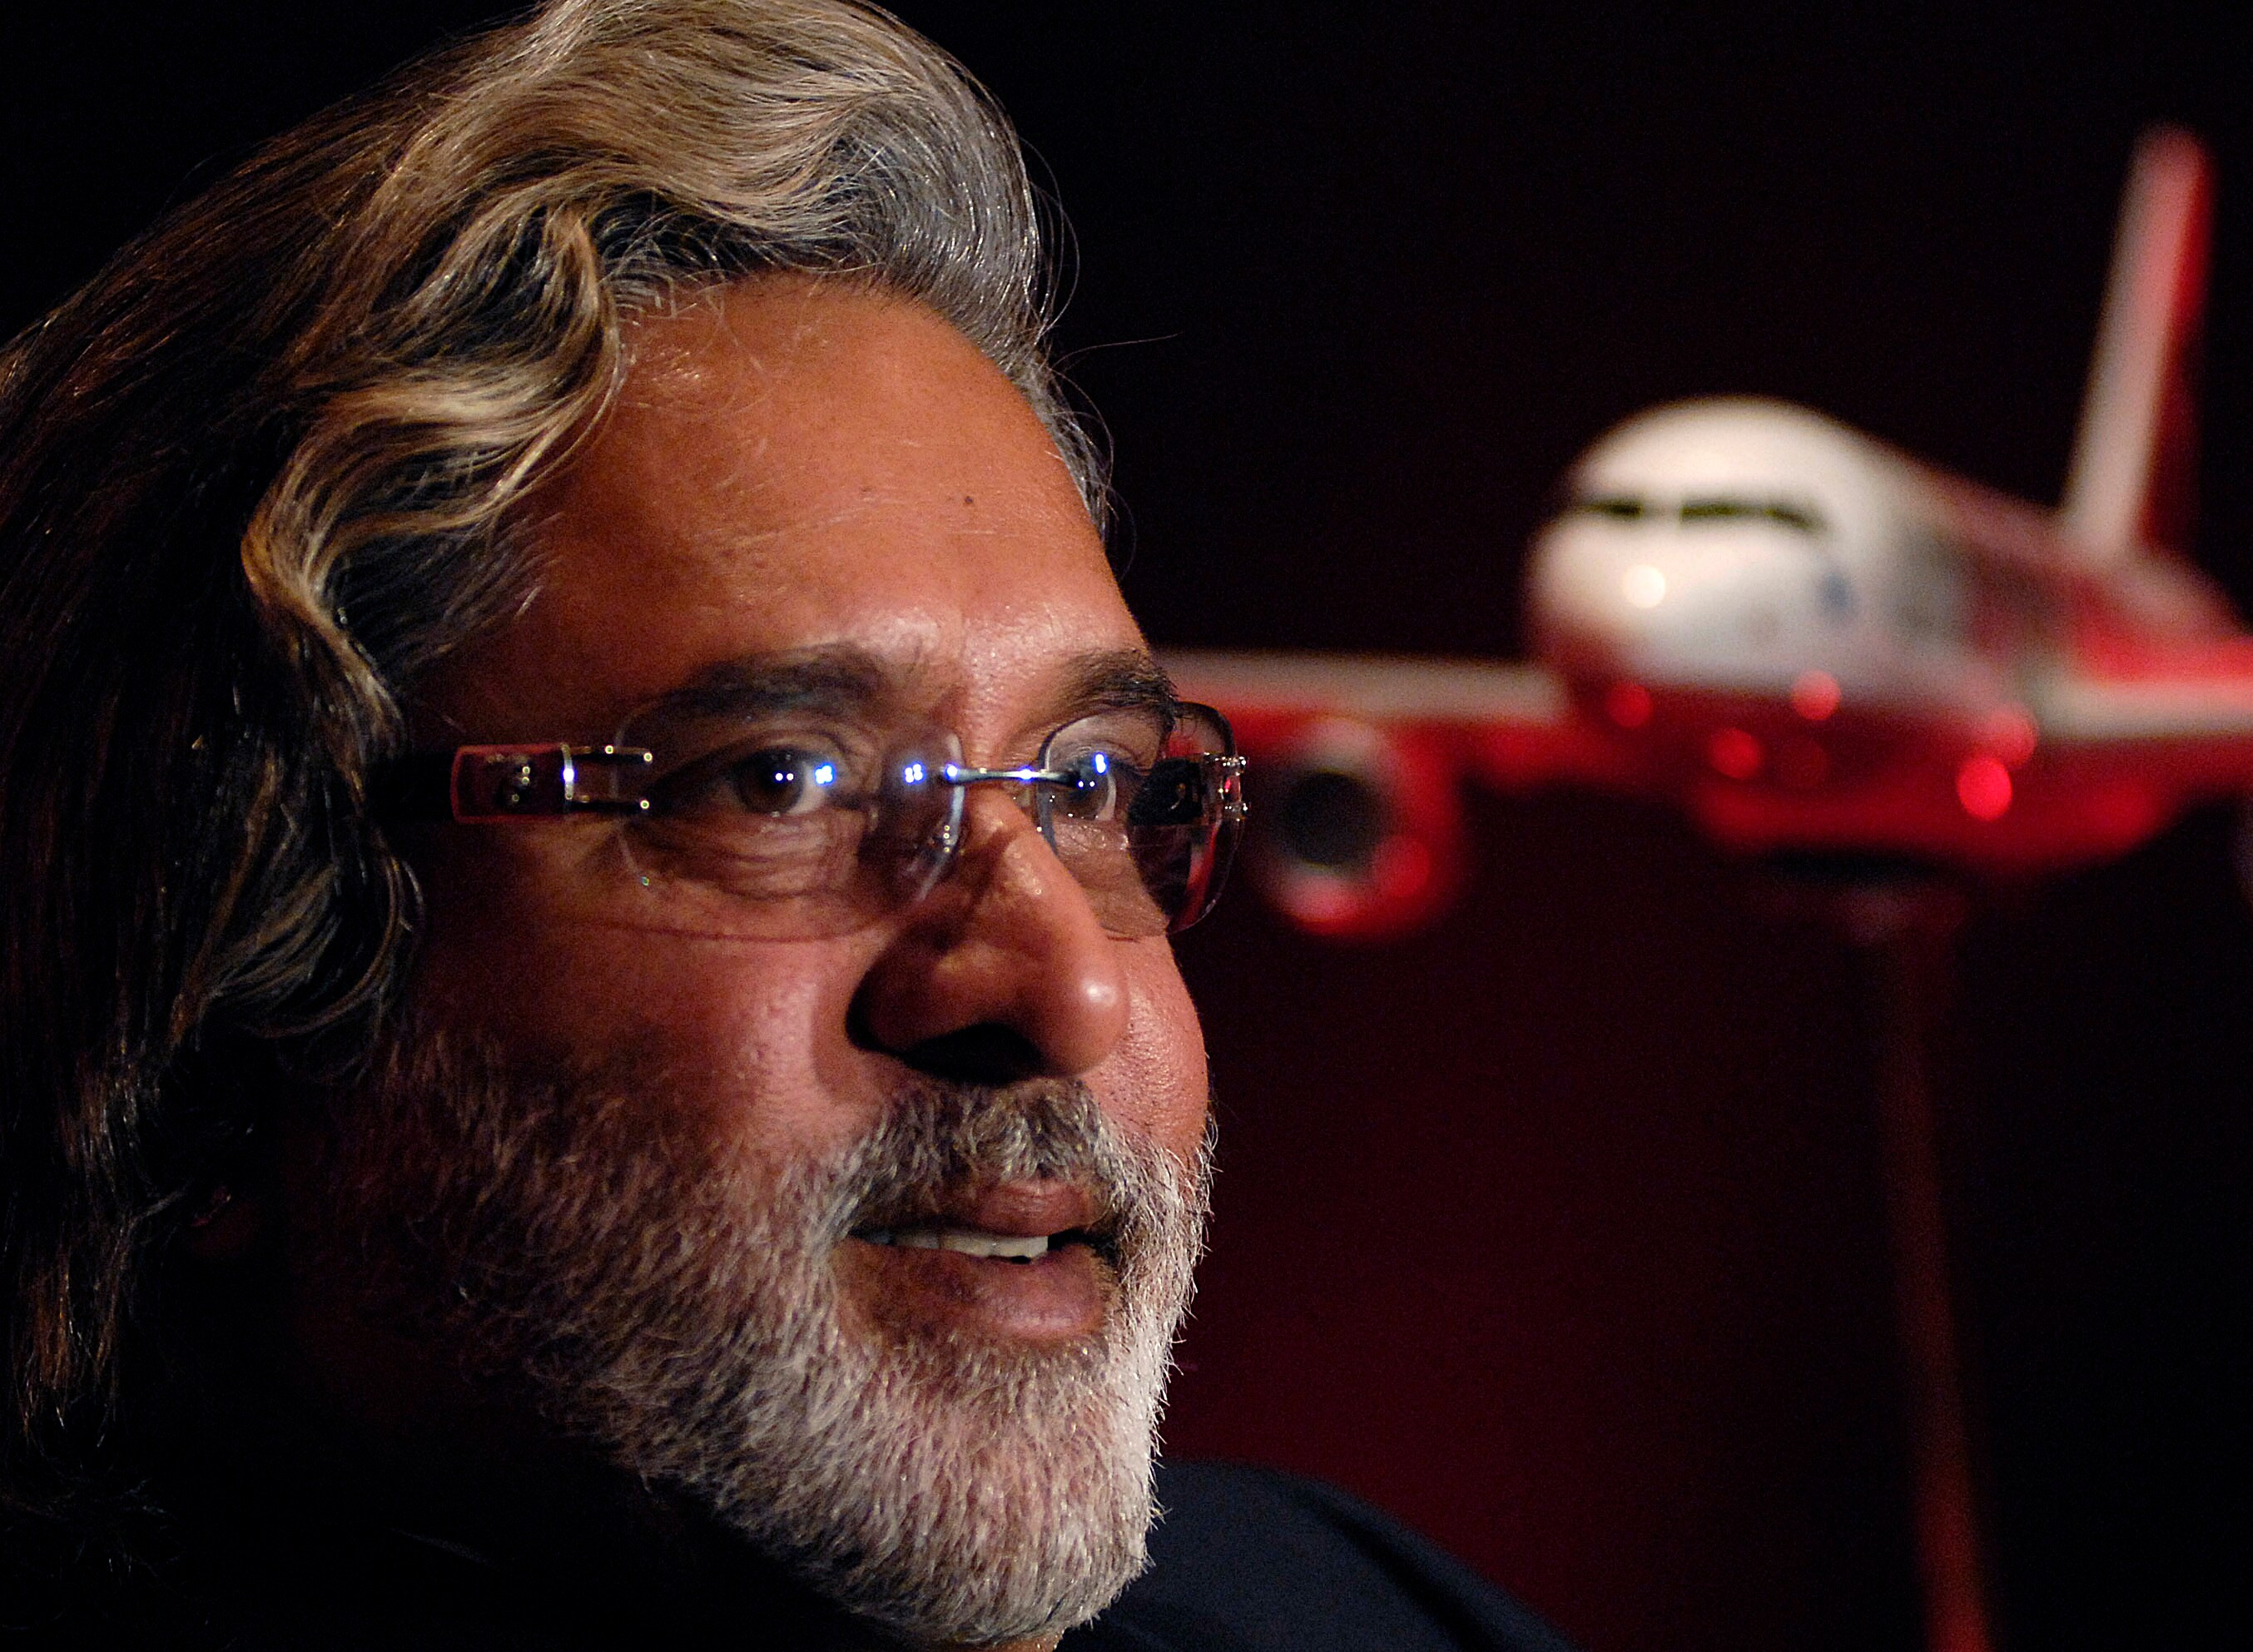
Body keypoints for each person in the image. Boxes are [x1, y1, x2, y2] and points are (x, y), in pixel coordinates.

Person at [0, 3, 1579, 1649]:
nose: (1065, 993)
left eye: (1091, 789)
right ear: (218, 1009)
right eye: (781, 784)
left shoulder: (1364, 1615)